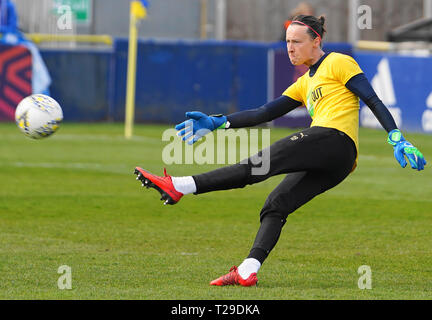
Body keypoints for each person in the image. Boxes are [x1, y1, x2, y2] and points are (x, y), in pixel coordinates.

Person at [134, 15, 426, 287]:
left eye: (296, 41)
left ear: (316, 41)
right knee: (276, 204)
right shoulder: (304, 83)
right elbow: (263, 112)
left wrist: (397, 137)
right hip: (338, 164)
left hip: (333, 140)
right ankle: (248, 270)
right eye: (287, 42)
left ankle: (179, 186)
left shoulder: (339, 62)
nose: (290, 48)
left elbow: (372, 98)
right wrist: (217, 122)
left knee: (256, 166)